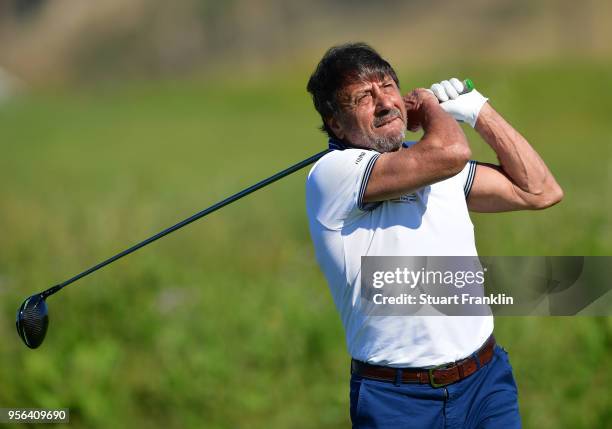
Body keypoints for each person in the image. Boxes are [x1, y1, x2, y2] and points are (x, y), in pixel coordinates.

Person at [304, 43, 563, 428]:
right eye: (363, 97)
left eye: (389, 87)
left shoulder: (433, 163)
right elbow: (451, 152)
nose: (383, 103)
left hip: (484, 383)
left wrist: (479, 110)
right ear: (337, 124)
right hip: (398, 400)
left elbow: (540, 190)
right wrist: (430, 106)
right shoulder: (333, 173)